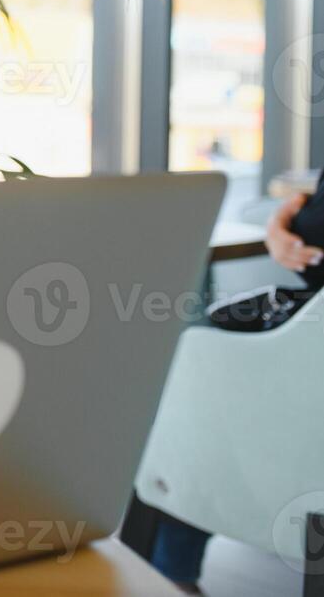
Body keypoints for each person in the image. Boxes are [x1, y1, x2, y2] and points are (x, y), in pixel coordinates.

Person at [144, 179, 322, 588]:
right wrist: (280, 223)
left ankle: (171, 571)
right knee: (199, 354)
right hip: (303, 319)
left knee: (192, 370)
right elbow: (309, 198)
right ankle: (173, 565)